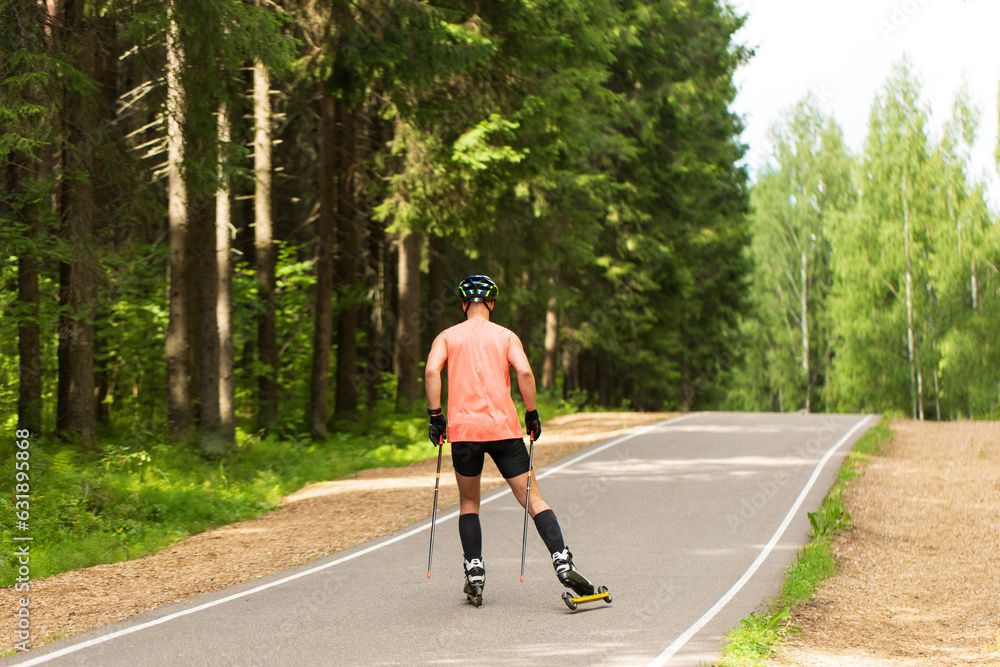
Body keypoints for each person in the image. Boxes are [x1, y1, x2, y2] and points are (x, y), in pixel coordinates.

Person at [424, 274, 598, 604]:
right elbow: (526, 372)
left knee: (469, 504)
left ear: (464, 305)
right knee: (533, 500)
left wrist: (435, 417)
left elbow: (432, 371)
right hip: (504, 431)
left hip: (464, 434)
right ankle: (562, 560)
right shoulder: (506, 336)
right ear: (491, 303)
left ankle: (474, 571)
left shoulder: (446, 337)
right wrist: (532, 413)